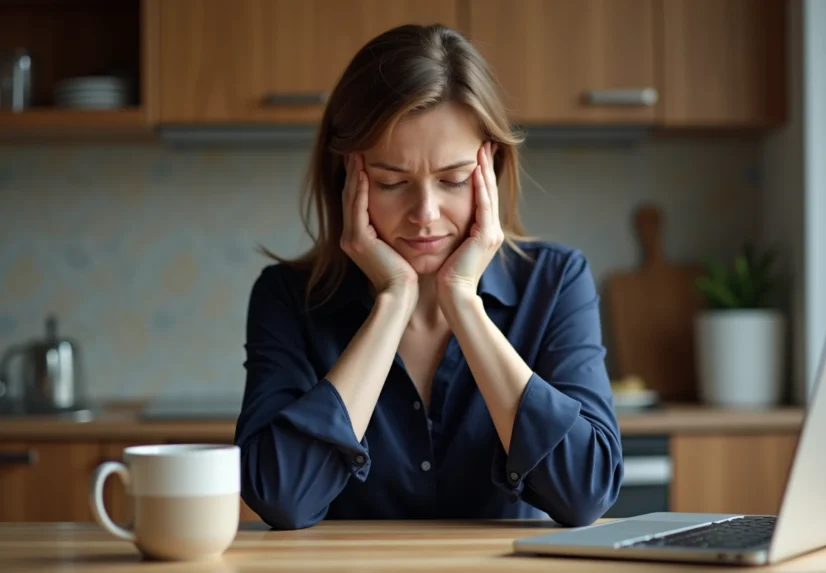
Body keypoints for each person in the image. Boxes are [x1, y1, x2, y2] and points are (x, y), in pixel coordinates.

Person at [234, 23, 623, 530]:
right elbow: (281, 497)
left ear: (490, 168)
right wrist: (393, 303)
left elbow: (585, 493)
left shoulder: (556, 282)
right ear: (347, 175)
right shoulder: (286, 297)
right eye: (391, 182)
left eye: (453, 180)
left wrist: (463, 303)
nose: (425, 214)